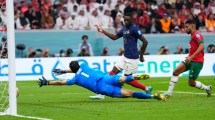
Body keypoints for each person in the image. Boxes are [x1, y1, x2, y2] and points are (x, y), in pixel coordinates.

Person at [38, 60, 168, 101]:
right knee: (122, 78)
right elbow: (74, 68)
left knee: (129, 94)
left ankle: (152, 96)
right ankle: (132, 77)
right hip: (106, 77)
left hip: (102, 88)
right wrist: (64, 70)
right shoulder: (83, 65)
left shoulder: (75, 79)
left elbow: (61, 82)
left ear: (72, 69)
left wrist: (47, 82)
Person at [93, 13, 151, 99]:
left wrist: (141, 55)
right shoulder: (124, 29)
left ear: (132, 20)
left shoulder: (134, 29)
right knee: (112, 73)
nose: (126, 21)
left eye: (128, 20)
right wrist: (102, 31)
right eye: (125, 20)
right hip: (125, 57)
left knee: (127, 80)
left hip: (133, 58)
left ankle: (146, 88)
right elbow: (114, 37)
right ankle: (102, 94)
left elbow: (145, 42)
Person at [163, 19, 212, 97]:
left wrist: (191, 56)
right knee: (175, 72)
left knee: (191, 83)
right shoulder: (192, 35)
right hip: (190, 60)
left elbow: (202, 46)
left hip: (197, 62)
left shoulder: (197, 34)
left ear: (192, 26)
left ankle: (207, 88)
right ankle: (169, 92)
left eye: (186, 27)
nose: (185, 29)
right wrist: (190, 56)